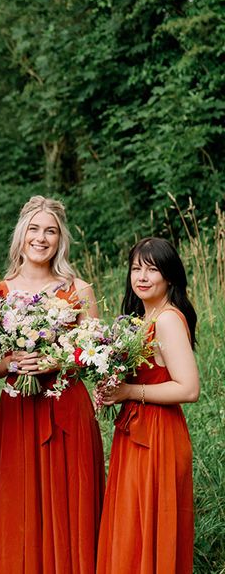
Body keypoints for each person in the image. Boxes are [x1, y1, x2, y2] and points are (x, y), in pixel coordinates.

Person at [0, 195, 104, 574]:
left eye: (50, 231)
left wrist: (57, 360)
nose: (41, 238)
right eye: (34, 229)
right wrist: (9, 363)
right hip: (19, 407)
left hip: (66, 407)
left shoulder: (79, 290)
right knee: (20, 500)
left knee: (70, 499)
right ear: (21, 234)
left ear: (60, 239)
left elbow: (94, 355)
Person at [96, 237, 199, 574]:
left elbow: (188, 388)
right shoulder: (141, 317)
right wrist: (112, 388)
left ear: (169, 276)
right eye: (136, 268)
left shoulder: (167, 319)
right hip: (136, 431)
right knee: (134, 525)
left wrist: (129, 391)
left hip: (158, 436)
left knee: (148, 525)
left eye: (151, 269)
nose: (141, 276)